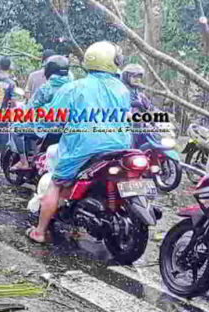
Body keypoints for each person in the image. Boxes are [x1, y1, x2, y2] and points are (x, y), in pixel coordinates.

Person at [26, 41, 132, 243]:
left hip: (85, 147)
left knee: (56, 183)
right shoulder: (122, 89)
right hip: (120, 146)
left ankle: (39, 232)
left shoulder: (74, 88)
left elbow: (50, 118)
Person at [10, 55, 73, 171]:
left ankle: (23, 162)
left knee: (15, 129)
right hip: (69, 128)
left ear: (49, 70)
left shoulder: (46, 88)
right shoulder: (74, 86)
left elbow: (30, 108)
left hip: (48, 126)